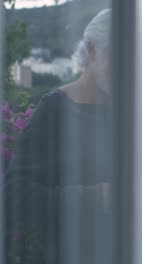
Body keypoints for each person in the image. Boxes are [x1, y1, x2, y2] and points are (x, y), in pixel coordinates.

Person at [3, 9, 113, 264]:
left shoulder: (123, 112)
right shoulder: (55, 110)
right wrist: (97, 196)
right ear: (92, 50)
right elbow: (15, 194)